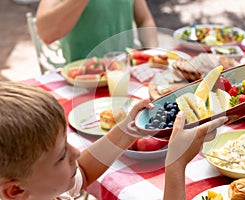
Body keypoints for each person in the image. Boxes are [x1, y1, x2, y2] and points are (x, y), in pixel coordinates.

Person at [0, 81, 227, 200]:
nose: (76, 153)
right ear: (15, 190)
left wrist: (127, 132)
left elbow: (84, 173)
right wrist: (176, 165)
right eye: (61, 156)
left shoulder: (43, 191)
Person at [35, 0, 158, 63]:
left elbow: (144, 20)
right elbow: (46, 35)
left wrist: (153, 52)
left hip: (125, 73)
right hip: (83, 80)